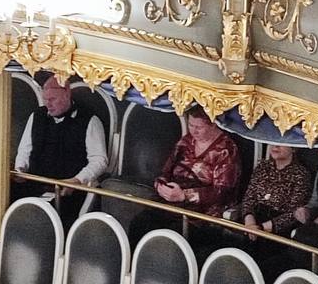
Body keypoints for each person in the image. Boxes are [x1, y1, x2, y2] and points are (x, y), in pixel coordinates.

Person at [129, 105, 241, 244]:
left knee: (169, 236)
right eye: (190, 125)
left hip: (202, 212)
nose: (193, 131)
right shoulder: (186, 141)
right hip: (171, 201)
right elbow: (166, 171)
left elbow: (222, 192)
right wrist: (161, 185)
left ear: (213, 124)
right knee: (140, 223)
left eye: (199, 127)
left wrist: (184, 195)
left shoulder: (226, 150)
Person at [14, 76, 108, 228]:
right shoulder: (37, 116)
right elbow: (24, 150)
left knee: (42, 220)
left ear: (67, 94)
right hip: (34, 184)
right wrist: (20, 170)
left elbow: (99, 160)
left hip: (68, 192)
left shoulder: (90, 120)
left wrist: (77, 180)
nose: (48, 104)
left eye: (52, 99)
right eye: (45, 99)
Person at [241, 144, 313, 257]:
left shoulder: (301, 174)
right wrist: (250, 222)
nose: (275, 146)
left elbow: (294, 213)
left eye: (282, 143)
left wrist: (262, 228)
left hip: (278, 229)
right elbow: (249, 198)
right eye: (274, 142)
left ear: (293, 148)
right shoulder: (262, 167)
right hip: (253, 221)